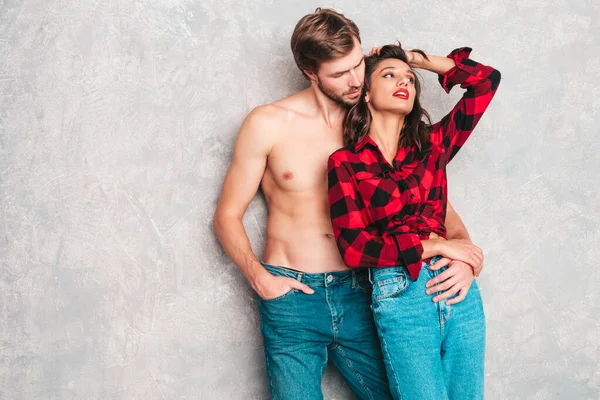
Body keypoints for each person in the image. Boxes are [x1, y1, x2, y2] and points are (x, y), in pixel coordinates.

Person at [214, 8, 482, 400]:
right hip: (293, 295)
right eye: (340, 74)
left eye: (358, 64)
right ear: (310, 71)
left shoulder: (374, 124)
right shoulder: (268, 123)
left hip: (365, 288)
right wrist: (260, 279)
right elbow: (226, 215)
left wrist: (465, 255)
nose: (356, 80)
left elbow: (435, 202)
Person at [327, 43, 501, 400]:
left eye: (409, 78)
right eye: (388, 75)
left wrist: (415, 59)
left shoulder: (433, 145)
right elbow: (355, 248)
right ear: (366, 92)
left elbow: (486, 82)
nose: (403, 81)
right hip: (401, 291)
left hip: (458, 287)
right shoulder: (345, 162)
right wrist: (436, 245)